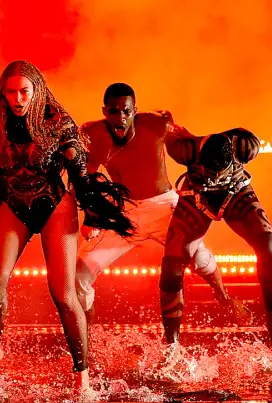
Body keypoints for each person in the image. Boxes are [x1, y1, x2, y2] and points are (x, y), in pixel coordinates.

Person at [0, 60, 135, 391]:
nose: (18, 99)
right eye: (11, 92)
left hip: (53, 206)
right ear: (2, 93)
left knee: (63, 293)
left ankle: (82, 378)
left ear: (37, 91)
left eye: (24, 92)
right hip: (13, 204)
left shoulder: (58, 122)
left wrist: (92, 216)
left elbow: (80, 174)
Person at [75, 83, 249, 323]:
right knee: (79, 275)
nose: (121, 118)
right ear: (104, 112)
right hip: (124, 210)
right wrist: (91, 217)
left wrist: (226, 155)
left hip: (164, 206)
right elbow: (85, 179)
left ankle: (223, 296)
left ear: (134, 110)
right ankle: (87, 338)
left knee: (197, 255)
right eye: (114, 111)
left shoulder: (157, 124)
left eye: (126, 111)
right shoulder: (92, 134)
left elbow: (194, 144)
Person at [161, 126, 272, 350]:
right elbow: (165, 132)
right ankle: (171, 343)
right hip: (198, 198)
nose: (214, 178)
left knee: (271, 249)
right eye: (209, 171)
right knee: (172, 264)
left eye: (219, 172)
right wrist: (169, 124)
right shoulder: (183, 151)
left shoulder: (247, 146)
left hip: (236, 194)